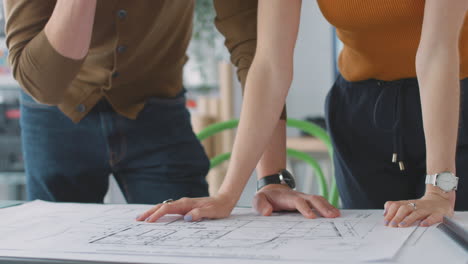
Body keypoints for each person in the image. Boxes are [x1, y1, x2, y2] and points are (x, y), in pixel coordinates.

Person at [139, 0, 468, 227]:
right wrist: (228, 194)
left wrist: (440, 189)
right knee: (378, 242)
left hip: (454, 100)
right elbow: (270, 66)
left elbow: (438, 51)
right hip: (362, 111)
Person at [4, 0, 338, 212]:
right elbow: (44, 84)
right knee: (56, 249)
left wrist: (271, 178)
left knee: (191, 238)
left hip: (157, 112)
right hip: (57, 112)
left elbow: (257, 53)